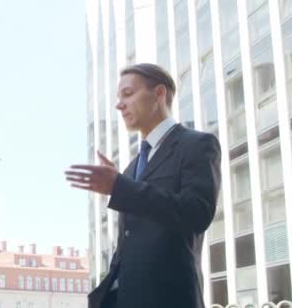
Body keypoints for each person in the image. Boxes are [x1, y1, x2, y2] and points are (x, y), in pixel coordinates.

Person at [66, 63, 221, 308]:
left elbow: (197, 213)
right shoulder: (130, 169)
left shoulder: (197, 144)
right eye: (119, 98)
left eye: (128, 94)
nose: (119, 105)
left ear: (159, 94)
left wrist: (121, 187)